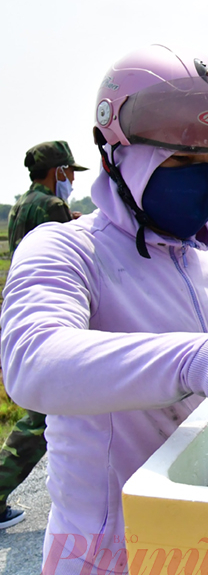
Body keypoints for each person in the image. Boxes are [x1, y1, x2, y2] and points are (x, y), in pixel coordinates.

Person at [0, 45, 208, 575]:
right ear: (115, 156)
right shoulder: (67, 249)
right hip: (106, 571)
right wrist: (202, 356)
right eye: (181, 160)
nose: (206, 179)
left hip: (207, 558)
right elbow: (33, 363)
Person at [0, 140, 89, 530]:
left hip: (24, 310)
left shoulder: (21, 204)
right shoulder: (52, 208)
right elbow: (73, 251)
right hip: (52, 312)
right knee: (39, 418)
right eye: (70, 173)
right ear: (60, 172)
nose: (71, 180)